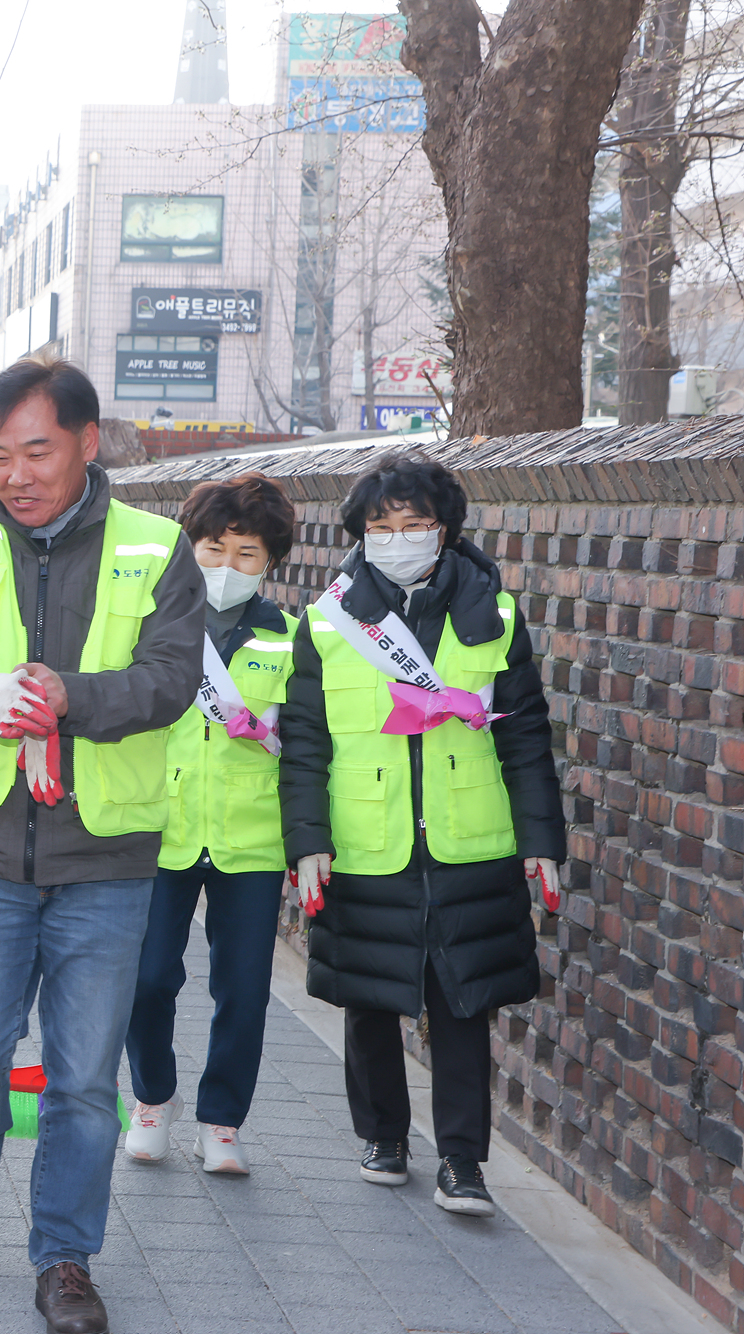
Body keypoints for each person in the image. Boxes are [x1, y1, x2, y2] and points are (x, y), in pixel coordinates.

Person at [0, 355, 201, 1334]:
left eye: (36, 449)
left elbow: (168, 677)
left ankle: (64, 1258)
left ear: (85, 439)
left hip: (104, 856)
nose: (16, 473)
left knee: (80, 1076)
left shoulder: (154, 547)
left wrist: (76, 696)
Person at [280, 449, 564, 1218]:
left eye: (416, 524)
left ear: (446, 531)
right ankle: (383, 1137)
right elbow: (305, 741)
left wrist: (543, 840)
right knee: (371, 998)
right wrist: (307, 840)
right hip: (366, 838)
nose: (399, 537)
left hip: (470, 840)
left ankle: (464, 1162)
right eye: (382, 525)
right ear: (360, 533)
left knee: (464, 1004)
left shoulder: (494, 616)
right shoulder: (330, 622)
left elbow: (526, 736)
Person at [123, 473, 300, 1177]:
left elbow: (308, 741)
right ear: (188, 548)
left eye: (246, 554)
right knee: (146, 977)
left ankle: (223, 1121)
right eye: (213, 549)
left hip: (249, 838)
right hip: (159, 827)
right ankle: (151, 1099)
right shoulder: (153, 630)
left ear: (271, 563)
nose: (226, 567)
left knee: (245, 989)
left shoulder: (291, 640)